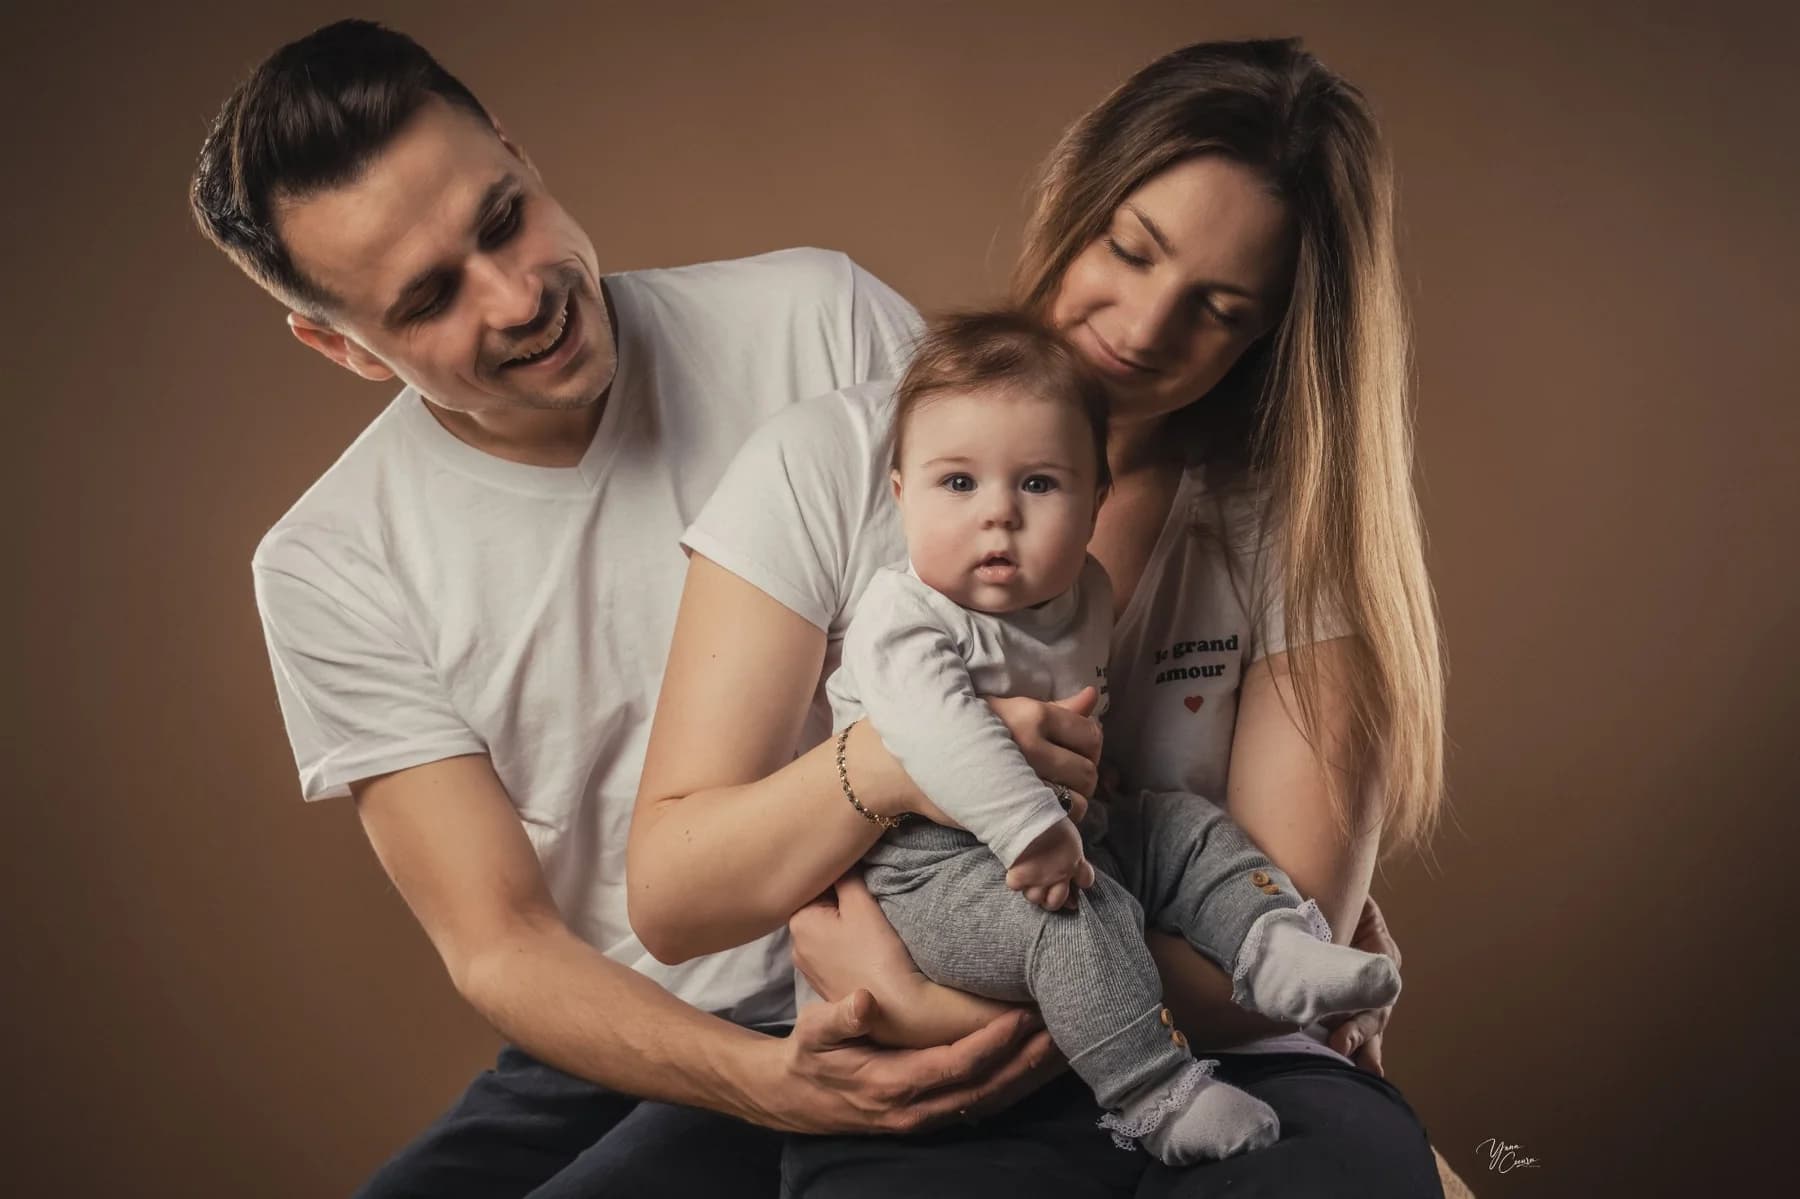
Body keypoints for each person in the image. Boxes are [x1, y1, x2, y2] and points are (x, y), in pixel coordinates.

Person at [192, 19, 1054, 1198]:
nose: (515, 297)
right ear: (337, 345)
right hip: (624, 1024)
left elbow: (1043, 605)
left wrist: (1254, 875)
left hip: (902, 945)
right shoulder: (328, 561)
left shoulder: (816, 318)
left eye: (502, 219)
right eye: (429, 298)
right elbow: (501, 941)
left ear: (515, 147)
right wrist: (763, 1080)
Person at [630, 36, 1448, 1197]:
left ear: (1270, 337)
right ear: (1076, 200)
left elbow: (1276, 937)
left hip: (1226, 1064)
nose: (1144, 327)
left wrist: (931, 993)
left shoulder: (1283, 524)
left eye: (1215, 308)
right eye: (1130, 248)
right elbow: (673, 895)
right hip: (923, 1079)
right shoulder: (837, 460)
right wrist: (894, 762)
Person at [825, 310, 1404, 1165]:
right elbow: (939, 741)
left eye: (1038, 485)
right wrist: (1034, 830)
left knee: (1182, 826)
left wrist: (1090, 793)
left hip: (1074, 828)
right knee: (1073, 916)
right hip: (934, 869)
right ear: (902, 492)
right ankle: (1156, 1095)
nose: (998, 517)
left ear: (1096, 498)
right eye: (958, 484)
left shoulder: (1084, 589)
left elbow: (1077, 707)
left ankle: (1274, 945)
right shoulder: (901, 617)